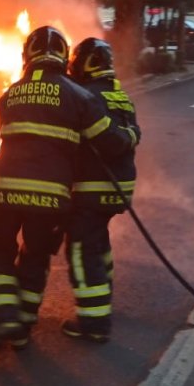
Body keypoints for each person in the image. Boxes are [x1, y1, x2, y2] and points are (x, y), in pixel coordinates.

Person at [0, 25, 132, 350]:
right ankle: (25, 322)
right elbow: (109, 141)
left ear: (27, 56)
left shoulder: (9, 95)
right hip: (53, 197)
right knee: (36, 254)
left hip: (5, 191)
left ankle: (6, 318)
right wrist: (129, 134)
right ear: (63, 55)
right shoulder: (80, 96)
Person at [62, 37, 141, 343]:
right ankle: (103, 300)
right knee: (99, 243)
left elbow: (107, 140)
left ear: (86, 63)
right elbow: (132, 133)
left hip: (92, 187)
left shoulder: (87, 97)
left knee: (81, 249)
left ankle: (94, 322)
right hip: (118, 188)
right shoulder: (120, 95)